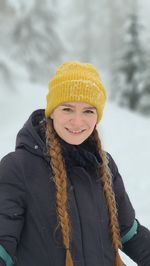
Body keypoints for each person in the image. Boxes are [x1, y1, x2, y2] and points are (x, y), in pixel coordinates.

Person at [0, 61, 150, 266]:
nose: (78, 122)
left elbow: (129, 233)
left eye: (88, 111)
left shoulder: (104, 165)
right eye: (68, 109)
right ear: (51, 111)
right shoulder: (18, 168)